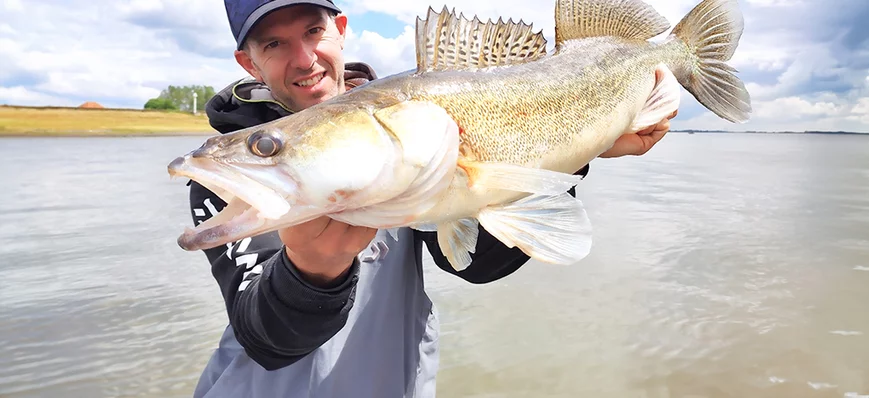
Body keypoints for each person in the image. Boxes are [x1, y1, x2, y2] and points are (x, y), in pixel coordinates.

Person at [188, 1, 676, 397]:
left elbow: (473, 264)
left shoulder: (404, 133)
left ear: (339, 29)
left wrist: (574, 151)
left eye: (313, 31)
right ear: (249, 62)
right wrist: (311, 271)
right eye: (274, 43)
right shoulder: (237, 182)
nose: (304, 58)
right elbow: (267, 339)